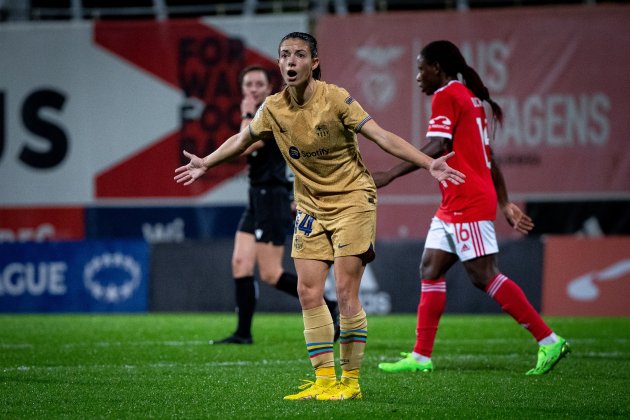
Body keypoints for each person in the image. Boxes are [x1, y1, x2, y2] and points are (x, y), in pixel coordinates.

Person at [175, 32, 465, 401]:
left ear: (314, 62)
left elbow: (381, 136)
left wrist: (428, 164)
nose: (290, 61)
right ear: (279, 64)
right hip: (311, 205)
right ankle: (325, 380)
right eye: (284, 55)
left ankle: (351, 382)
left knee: (345, 293)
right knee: (307, 291)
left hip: (352, 200)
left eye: (299, 54)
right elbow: (242, 139)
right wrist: (206, 161)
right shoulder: (274, 108)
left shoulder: (336, 98)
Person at [375, 40, 570, 376]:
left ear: (437, 68)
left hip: (467, 198)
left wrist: (392, 173)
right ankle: (421, 357)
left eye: (421, 69)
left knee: (483, 275)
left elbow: (438, 145)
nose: (418, 76)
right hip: (457, 199)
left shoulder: (447, 95)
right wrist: (506, 201)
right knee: (430, 268)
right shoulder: (471, 99)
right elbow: (488, 158)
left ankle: (548, 340)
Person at [210, 64, 340, 345]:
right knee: (240, 263)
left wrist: (245, 112)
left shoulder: (270, 113)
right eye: (248, 85)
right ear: (242, 89)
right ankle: (243, 333)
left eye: (258, 84)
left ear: (267, 88)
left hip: (272, 197)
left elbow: (246, 145)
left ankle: (329, 306)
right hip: (257, 197)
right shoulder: (260, 114)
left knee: (270, 273)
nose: (253, 89)